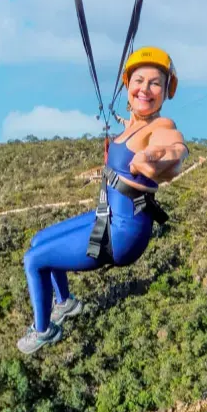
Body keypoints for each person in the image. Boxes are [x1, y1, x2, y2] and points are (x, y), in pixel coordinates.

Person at [18, 46, 189, 354]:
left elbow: (174, 150)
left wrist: (164, 158)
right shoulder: (135, 124)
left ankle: (43, 331)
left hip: (123, 234)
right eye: (139, 80)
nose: (145, 89)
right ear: (128, 85)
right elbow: (134, 136)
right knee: (37, 240)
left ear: (166, 91)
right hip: (108, 216)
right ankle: (65, 303)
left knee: (33, 261)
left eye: (155, 83)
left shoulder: (161, 127)